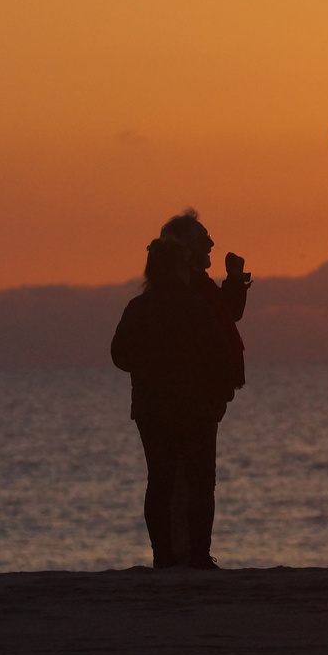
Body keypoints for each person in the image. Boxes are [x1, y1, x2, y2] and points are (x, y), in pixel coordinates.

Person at [110, 238, 240, 568]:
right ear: (180, 268)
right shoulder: (195, 307)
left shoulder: (138, 307)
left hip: (151, 408)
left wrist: (148, 367)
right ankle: (198, 556)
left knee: (160, 481)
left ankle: (162, 556)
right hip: (194, 407)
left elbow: (119, 355)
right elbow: (219, 355)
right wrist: (221, 394)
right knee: (200, 483)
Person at [158, 209, 251, 392]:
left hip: (198, 401)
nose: (211, 244)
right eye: (204, 239)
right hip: (188, 399)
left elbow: (227, 313)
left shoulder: (199, 284)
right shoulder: (179, 290)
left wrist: (235, 280)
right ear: (185, 248)